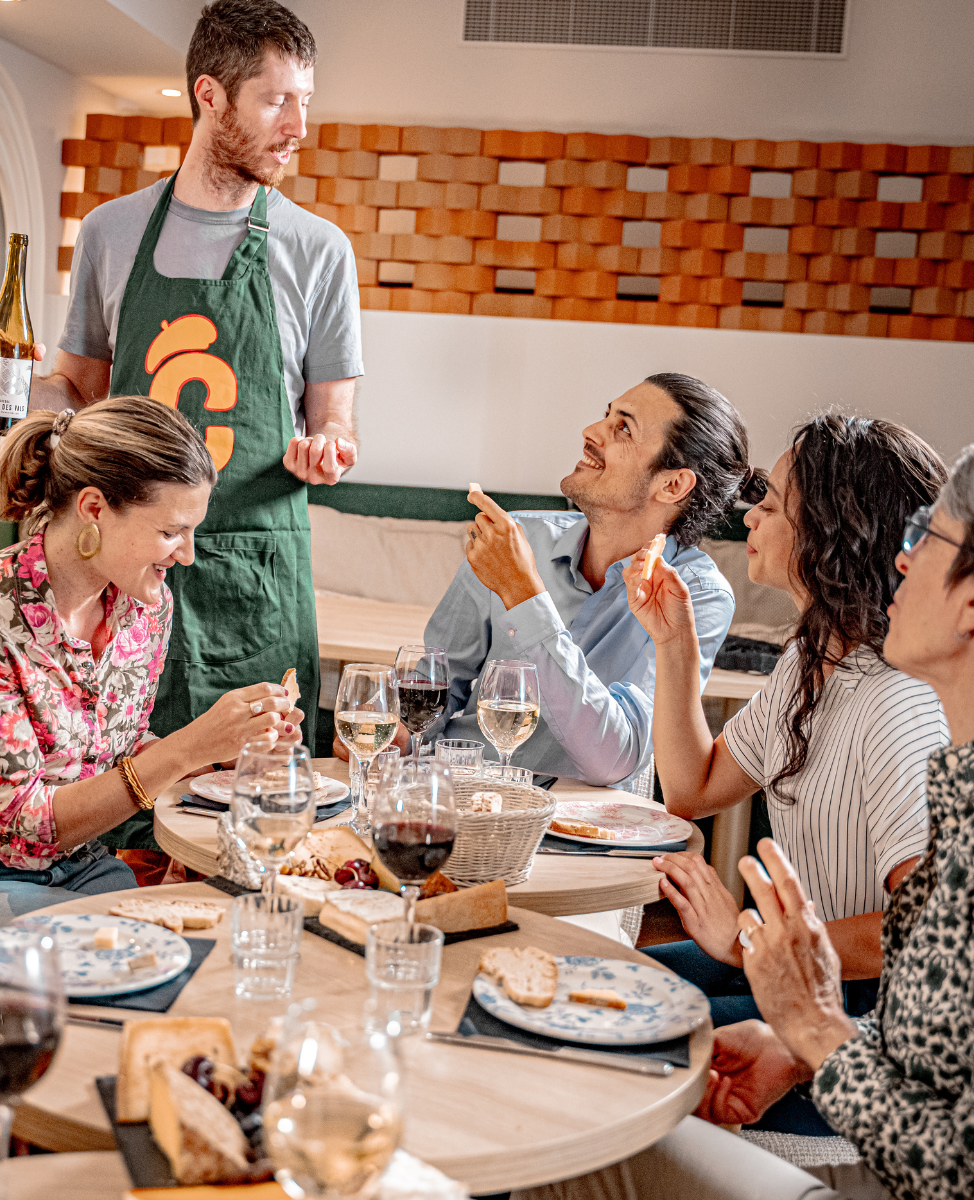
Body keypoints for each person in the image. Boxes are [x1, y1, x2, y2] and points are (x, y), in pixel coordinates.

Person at [0, 0, 361, 876]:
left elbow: (337, 421)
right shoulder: (112, 233)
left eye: (305, 100)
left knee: (257, 818)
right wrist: (8, 375)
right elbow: (76, 395)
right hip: (120, 567)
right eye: (276, 101)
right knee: (118, 808)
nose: (299, 127)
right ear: (210, 95)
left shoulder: (320, 250)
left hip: (257, 577)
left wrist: (329, 448)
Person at [0, 398, 304, 945]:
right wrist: (186, 749)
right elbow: (23, 835)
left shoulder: (145, 607)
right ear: (93, 508)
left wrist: (224, 751)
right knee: (149, 957)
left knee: (228, 942)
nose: (186, 555)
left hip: (84, 868)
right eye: (171, 531)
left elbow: (117, 751)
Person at [628, 416, 948, 1087]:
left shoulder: (898, 703)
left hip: (870, 1017)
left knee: (626, 1041)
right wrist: (674, 642)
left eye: (770, 505)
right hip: (803, 969)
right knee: (610, 983)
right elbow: (693, 787)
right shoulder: (812, 661)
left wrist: (748, 942)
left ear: (832, 533)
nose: (750, 517)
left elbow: (922, 932)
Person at [696, 447, 974, 1198]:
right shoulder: (959, 783)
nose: (902, 560)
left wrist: (814, 1027)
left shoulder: (900, 710)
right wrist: (795, 1049)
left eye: (928, 539)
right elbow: (938, 1026)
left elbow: (954, 1164)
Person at [382, 373, 754, 786]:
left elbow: (616, 758)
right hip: (461, 791)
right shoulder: (517, 538)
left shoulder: (696, 596)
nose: (590, 431)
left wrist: (524, 595)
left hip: (583, 819)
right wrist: (395, 735)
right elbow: (437, 685)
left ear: (672, 484)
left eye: (624, 428)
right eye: (606, 415)